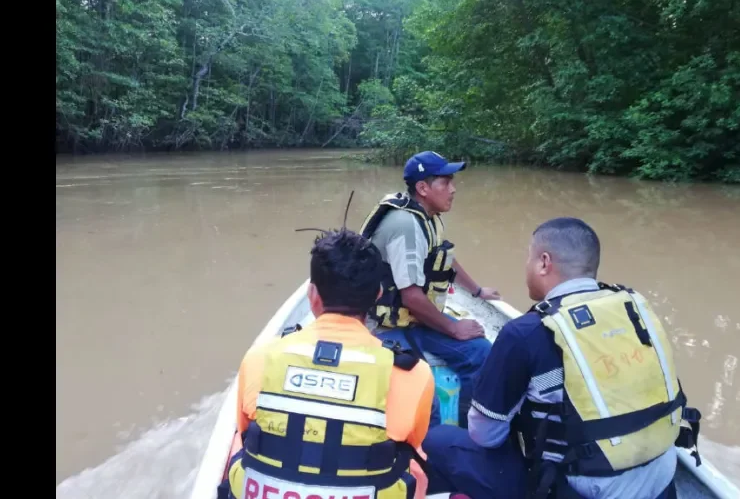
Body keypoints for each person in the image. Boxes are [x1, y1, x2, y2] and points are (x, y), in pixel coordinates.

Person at [422, 217, 703, 499]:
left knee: (439, 439)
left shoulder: (526, 333)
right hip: (662, 481)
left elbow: (485, 435)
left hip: (582, 490)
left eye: (528, 258)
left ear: (544, 262)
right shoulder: (634, 310)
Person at [217, 228, 436, 499]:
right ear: (377, 294)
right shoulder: (413, 373)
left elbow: (247, 430)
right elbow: (409, 443)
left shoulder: (260, 357)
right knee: (416, 460)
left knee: (240, 439)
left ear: (313, 295)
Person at [359, 150, 501, 429]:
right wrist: (453, 328)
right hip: (386, 326)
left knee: (481, 353)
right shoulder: (406, 225)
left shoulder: (430, 217)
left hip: (414, 320)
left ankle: (467, 433)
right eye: (445, 182)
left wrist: (477, 291)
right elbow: (412, 297)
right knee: (423, 387)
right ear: (423, 188)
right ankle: (430, 446)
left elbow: (444, 258)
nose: (453, 189)